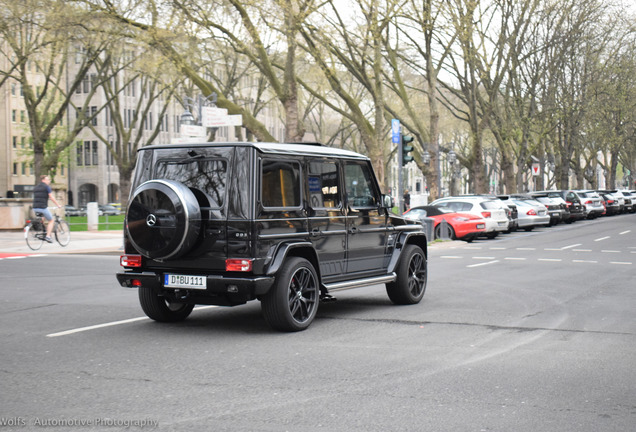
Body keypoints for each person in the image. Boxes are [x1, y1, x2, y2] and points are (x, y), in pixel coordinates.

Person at [32, 174, 62, 243]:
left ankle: (44, 231)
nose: (49, 181)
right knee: (51, 220)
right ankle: (48, 237)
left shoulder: (36, 187)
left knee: (43, 219)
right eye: (47, 179)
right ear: (43, 180)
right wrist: (58, 205)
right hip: (42, 207)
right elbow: (51, 197)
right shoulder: (47, 187)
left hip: (35, 207)